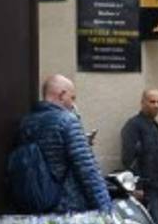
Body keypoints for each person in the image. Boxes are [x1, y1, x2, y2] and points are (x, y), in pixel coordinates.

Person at [11, 75, 111, 214]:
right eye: (72, 98)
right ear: (62, 95)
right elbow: (88, 171)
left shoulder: (26, 122)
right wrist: (106, 211)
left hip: (34, 208)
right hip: (67, 209)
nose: (73, 104)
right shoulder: (67, 121)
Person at [120, 89, 158, 224]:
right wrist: (137, 185)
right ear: (142, 103)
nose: (156, 105)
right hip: (145, 187)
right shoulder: (134, 126)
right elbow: (129, 158)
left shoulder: (156, 127)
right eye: (152, 101)